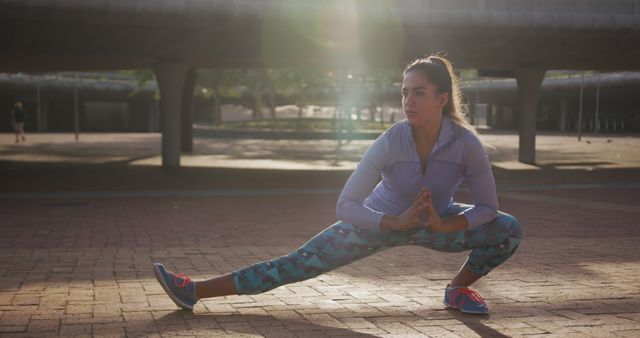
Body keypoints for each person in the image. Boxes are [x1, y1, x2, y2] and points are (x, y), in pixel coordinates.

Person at [153, 55, 523, 315]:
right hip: (377, 225)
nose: (408, 101)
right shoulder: (390, 141)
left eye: (419, 93)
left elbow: (487, 209)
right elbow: (346, 205)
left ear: (442, 98)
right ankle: (194, 291)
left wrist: (445, 224)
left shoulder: (466, 144)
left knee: (508, 230)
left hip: (436, 225)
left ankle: (457, 288)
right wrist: (391, 222)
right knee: (293, 265)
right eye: (405, 92)